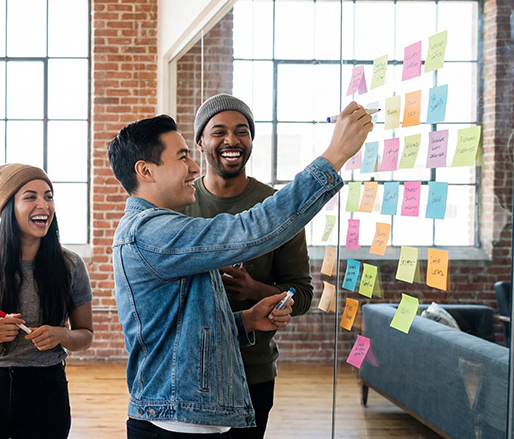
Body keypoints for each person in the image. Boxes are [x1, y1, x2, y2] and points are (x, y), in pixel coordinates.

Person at [108, 103, 372, 438]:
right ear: (146, 171)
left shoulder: (161, 228)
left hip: (188, 418)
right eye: (182, 157)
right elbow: (251, 230)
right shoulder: (151, 232)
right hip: (175, 422)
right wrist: (335, 155)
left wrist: (246, 320)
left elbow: (181, 330)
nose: (193, 167)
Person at [179, 94, 314, 439]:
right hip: (189, 369)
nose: (232, 140)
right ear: (200, 142)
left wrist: (256, 290)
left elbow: (302, 295)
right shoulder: (179, 205)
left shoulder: (277, 207)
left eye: (242, 131)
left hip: (252, 370)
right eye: (219, 131)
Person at [0, 163, 96, 439]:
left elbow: (85, 336)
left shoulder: (70, 265)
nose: (44, 205)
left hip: (47, 389)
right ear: (8, 208)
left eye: (48, 196)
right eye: (31, 197)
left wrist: (61, 334)